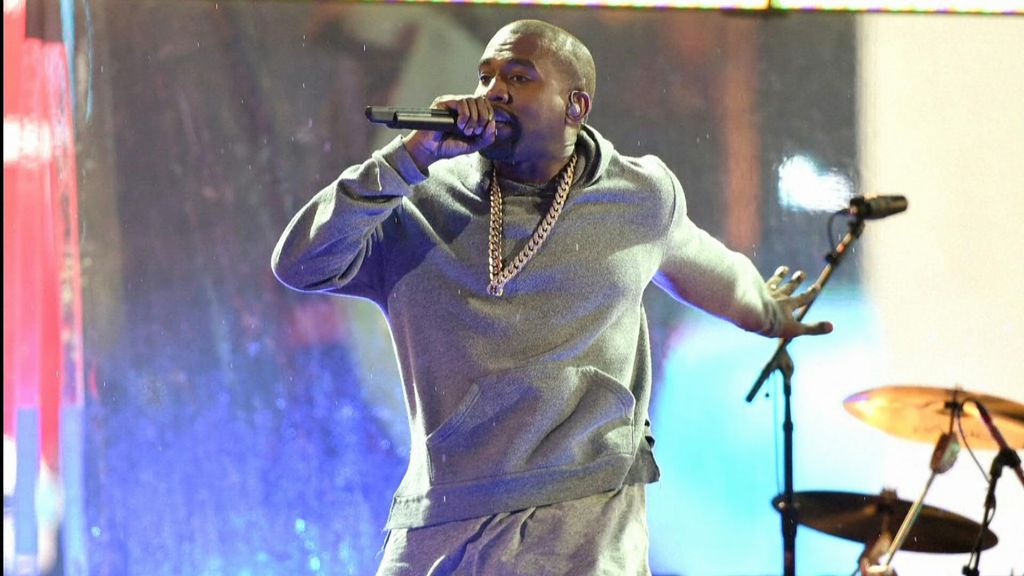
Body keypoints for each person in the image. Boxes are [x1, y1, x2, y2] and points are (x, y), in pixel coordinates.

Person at [272, 18, 832, 576]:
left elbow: (712, 271)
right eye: (486, 77)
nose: (494, 91)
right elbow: (300, 263)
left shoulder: (638, 196)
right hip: (446, 513)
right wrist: (408, 159)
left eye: (519, 77)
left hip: (587, 516)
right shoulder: (421, 204)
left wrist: (768, 311)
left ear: (575, 106)